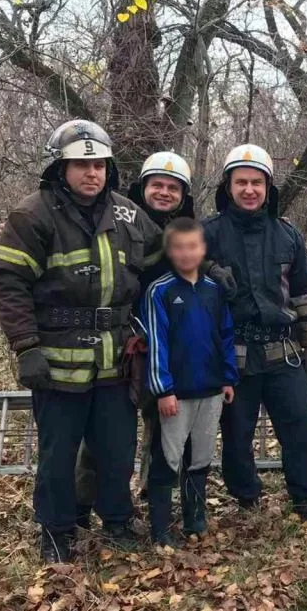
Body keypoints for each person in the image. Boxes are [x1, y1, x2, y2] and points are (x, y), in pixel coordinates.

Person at [0, 120, 162, 562]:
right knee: (58, 455)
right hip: (56, 361)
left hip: (115, 360)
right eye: (82, 164)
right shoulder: (32, 215)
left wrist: (205, 269)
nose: (92, 173)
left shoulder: (128, 213)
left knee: (116, 449)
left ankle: (118, 521)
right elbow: (9, 281)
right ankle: (55, 532)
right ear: (59, 167)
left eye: (99, 164)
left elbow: (164, 260)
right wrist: (26, 346)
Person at [73, 152, 212, 530]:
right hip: (122, 341)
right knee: (104, 431)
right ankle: (81, 504)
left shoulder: (190, 233)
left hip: (171, 348)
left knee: (165, 428)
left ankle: (156, 500)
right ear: (142, 188)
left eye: (173, 188)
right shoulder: (117, 222)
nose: (164, 193)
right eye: (157, 186)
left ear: (183, 195)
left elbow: (199, 272)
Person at [203, 144, 307, 521]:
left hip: (282, 352)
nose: (250, 190)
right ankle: (246, 497)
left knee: (300, 427)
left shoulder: (287, 234)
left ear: (268, 187)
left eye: (257, 182)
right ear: (228, 185)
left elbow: (304, 293)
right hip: (232, 354)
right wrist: (209, 269)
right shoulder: (208, 232)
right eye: (242, 182)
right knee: (236, 434)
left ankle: (305, 499)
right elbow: (183, 274)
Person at [138, 217, 238, 545]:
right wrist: (163, 389)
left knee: (200, 457)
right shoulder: (160, 291)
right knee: (168, 458)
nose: (186, 253)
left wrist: (227, 377)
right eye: (179, 247)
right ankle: (161, 529)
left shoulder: (213, 291)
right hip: (175, 395)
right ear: (170, 250)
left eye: (192, 246)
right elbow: (156, 344)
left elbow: (225, 335)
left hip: (210, 390)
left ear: (202, 249)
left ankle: (195, 518)